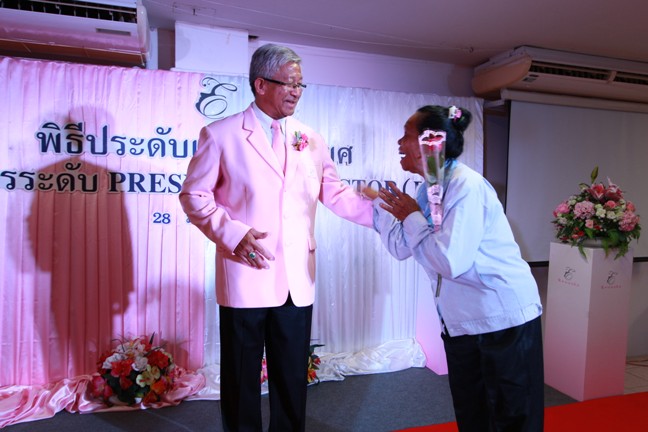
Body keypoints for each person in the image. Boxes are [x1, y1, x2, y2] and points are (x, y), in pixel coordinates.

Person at [179, 43, 373, 432]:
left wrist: (386, 215)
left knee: (291, 377)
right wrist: (232, 233)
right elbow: (194, 196)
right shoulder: (221, 134)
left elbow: (335, 193)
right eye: (289, 84)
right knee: (241, 378)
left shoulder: (310, 138)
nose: (296, 92)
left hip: (297, 279)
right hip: (245, 271)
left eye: (301, 85)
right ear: (261, 84)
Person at [363, 105, 544, 432]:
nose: (399, 143)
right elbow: (402, 248)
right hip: (462, 324)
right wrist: (385, 208)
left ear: (430, 143)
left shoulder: (465, 185)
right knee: (473, 417)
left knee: (513, 419)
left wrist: (410, 216)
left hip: (501, 320)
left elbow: (450, 262)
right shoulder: (426, 189)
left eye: (406, 135)